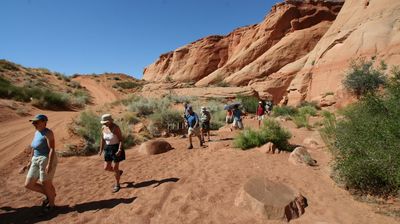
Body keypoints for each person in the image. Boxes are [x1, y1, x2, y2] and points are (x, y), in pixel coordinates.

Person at [20, 114, 58, 212]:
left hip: (45, 159)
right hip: (35, 159)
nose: (34, 124)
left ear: (44, 122)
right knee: (28, 184)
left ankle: (52, 205)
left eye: (36, 122)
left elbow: (52, 149)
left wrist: (49, 164)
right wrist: (30, 161)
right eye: (33, 122)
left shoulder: (48, 133)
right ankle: (50, 195)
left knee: (46, 183)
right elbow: (34, 147)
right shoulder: (37, 132)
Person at [98, 114, 125, 193]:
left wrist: (119, 149)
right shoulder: (103, 127)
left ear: (110, 121)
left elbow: (121, 140)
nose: (104, 124)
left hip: (116, 148)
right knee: (106, 167)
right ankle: (119, 172)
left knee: (115, 168)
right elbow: (102, 139)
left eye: (105, 122)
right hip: (108, 148)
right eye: (103, 122)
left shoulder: (116, 128)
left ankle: (117, 185)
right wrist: (101, 149)